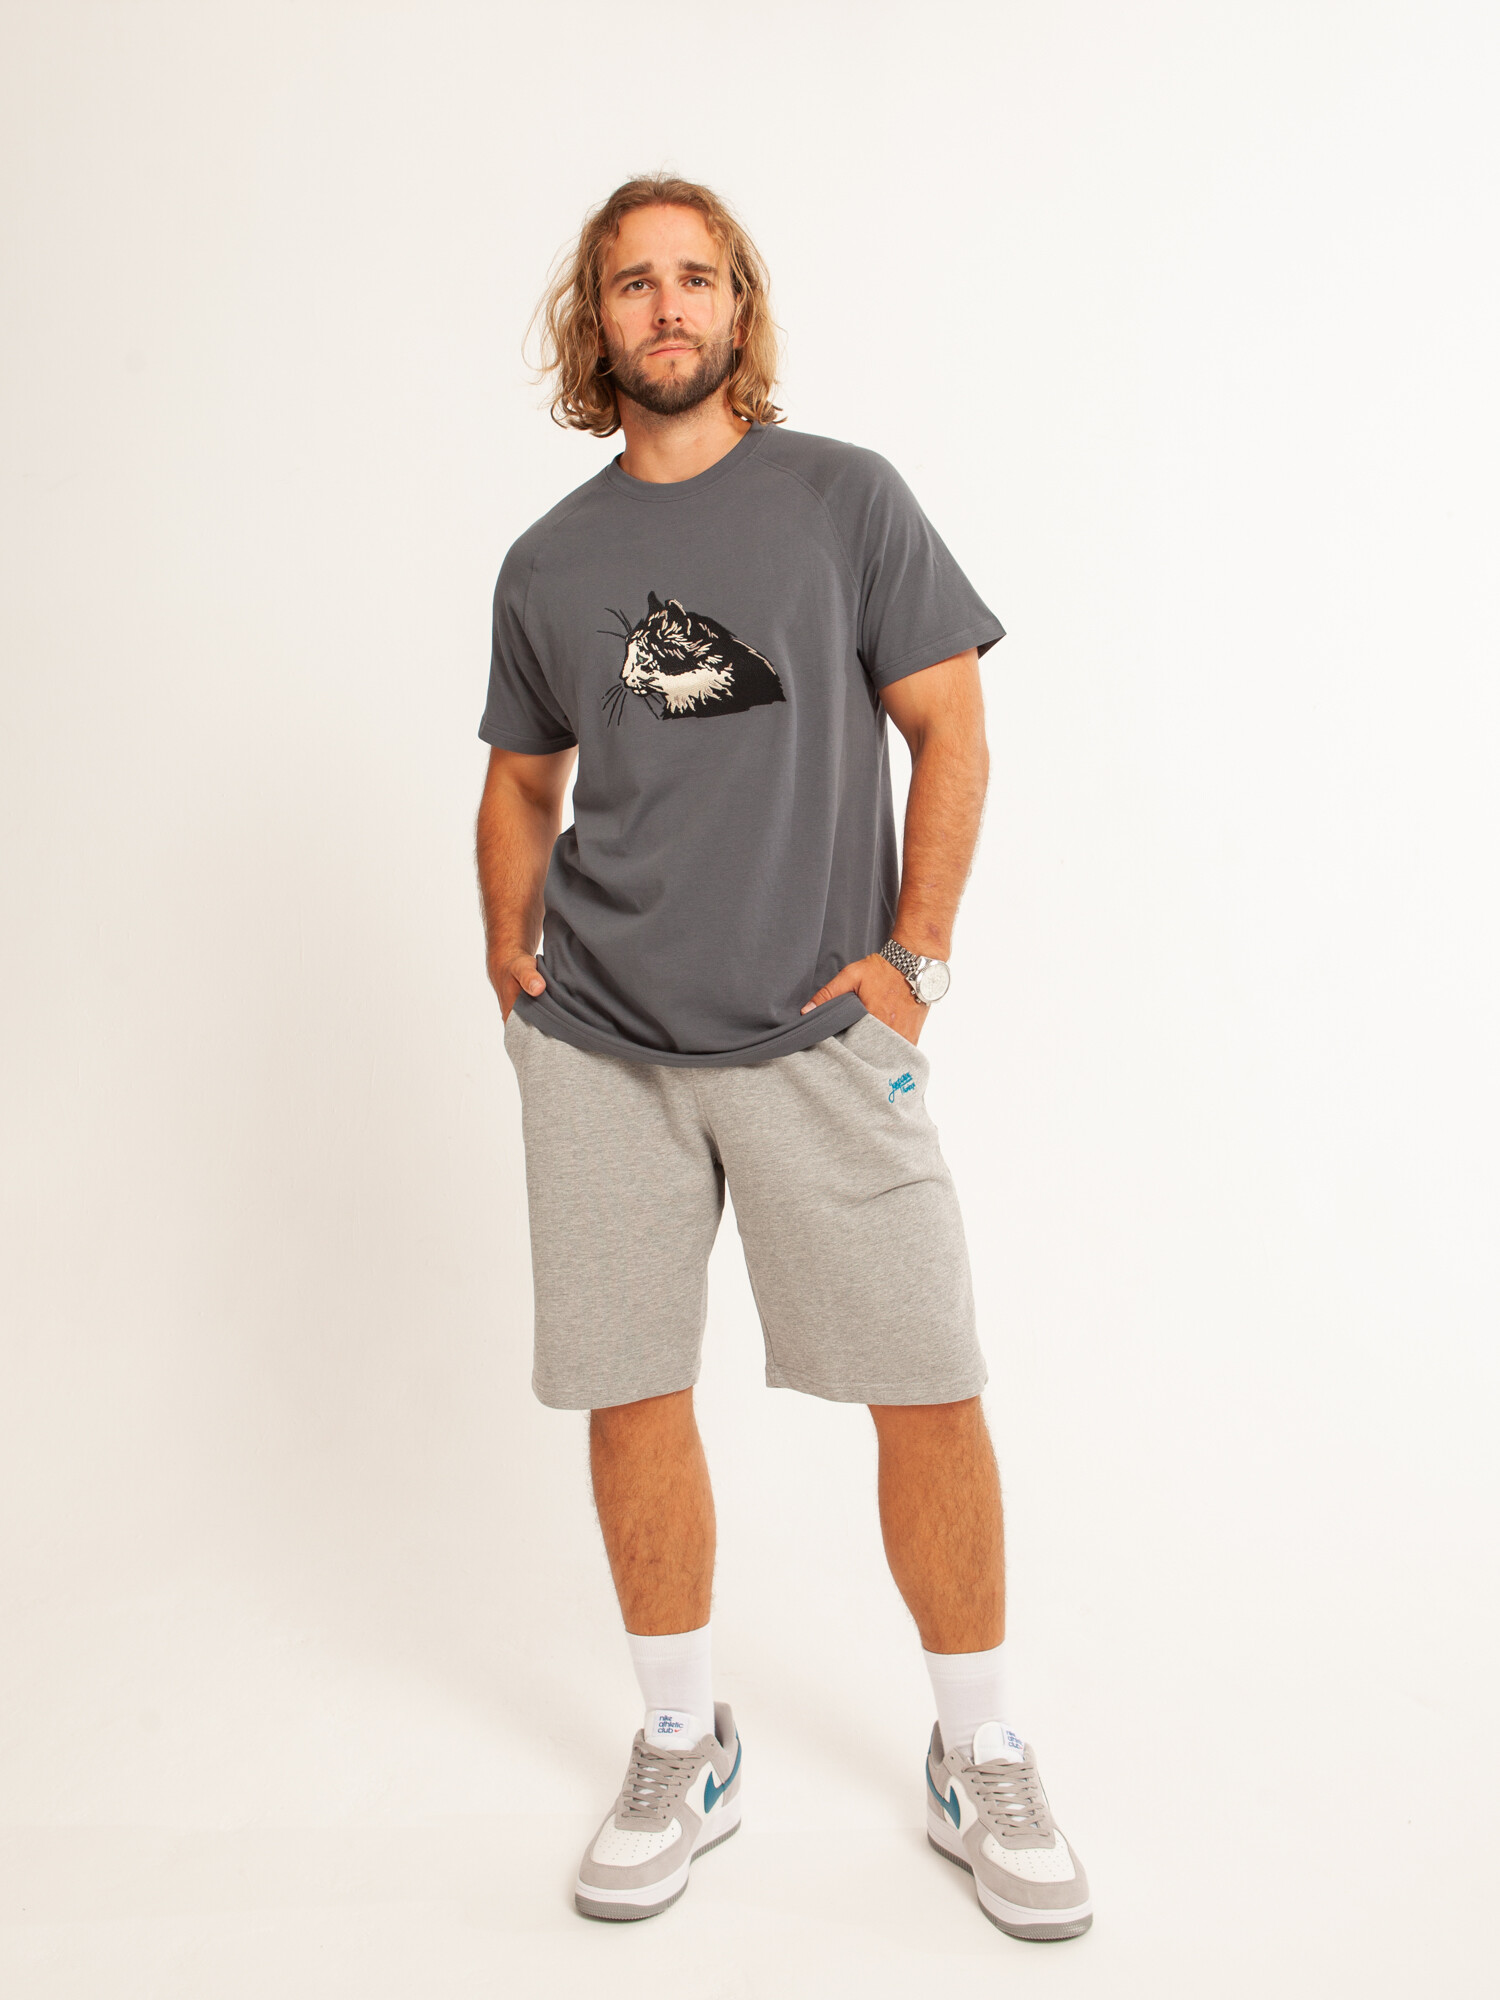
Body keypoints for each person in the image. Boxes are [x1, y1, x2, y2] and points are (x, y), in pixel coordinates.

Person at [474, 175, 1090, 1942]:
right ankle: (684, 1742)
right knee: (629, 1388)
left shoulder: (845, 499)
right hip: (602, 1044)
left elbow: (951, 726)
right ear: (594, 322)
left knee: (928, 1381)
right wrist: (507, 961)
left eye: (695, 277)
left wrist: (916, 963)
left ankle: (981, 1750)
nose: (665, 306)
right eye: (631, 284)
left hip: (825, 1032)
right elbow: (522, 779)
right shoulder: (549, 561)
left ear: (738, 307)